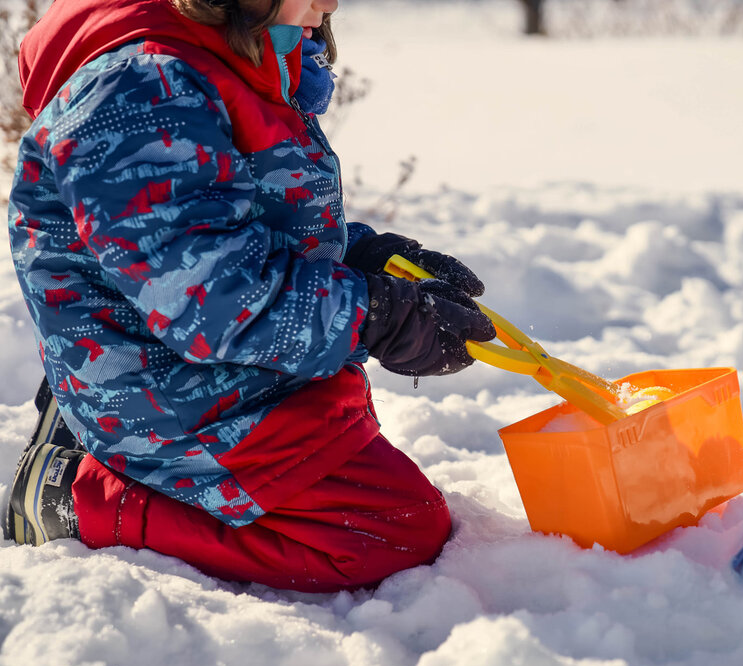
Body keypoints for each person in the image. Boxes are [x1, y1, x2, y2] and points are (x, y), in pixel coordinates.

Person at [5, 0, 496, 592]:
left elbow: (247, 220)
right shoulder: (137, 88)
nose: (330, 3)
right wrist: (375, 317)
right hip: (172, 385)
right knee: (387, 532)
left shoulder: (231, 56)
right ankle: (80, 497)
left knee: (357, 465)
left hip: (224, 366)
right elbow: (208, 296)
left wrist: (363, 257)